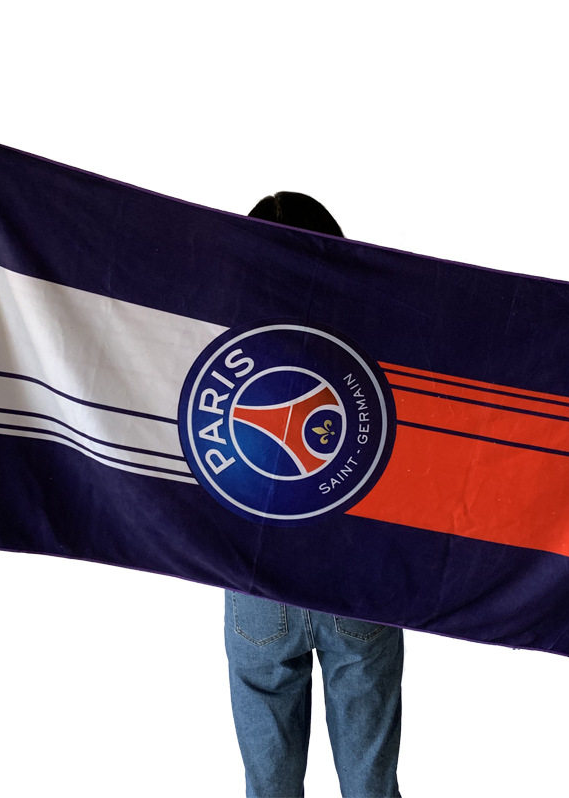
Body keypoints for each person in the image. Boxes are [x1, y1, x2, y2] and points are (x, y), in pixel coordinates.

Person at [224, 192, 404, 798]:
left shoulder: (225, 342)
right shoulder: (375, 337)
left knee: (268, 790)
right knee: (371, 787)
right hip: (358, 579)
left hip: (256, 580)